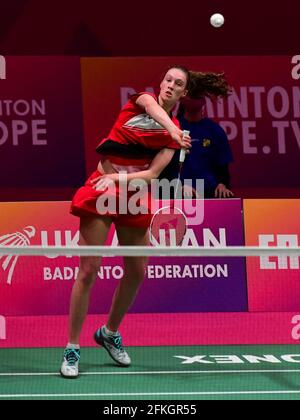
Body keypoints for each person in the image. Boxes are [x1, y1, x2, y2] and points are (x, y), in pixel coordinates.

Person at [60, 65, 192, 379]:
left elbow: (151, 175)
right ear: (161, 83)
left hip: (130, 194)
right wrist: (174, 130)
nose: (171, 86)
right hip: (100, 188)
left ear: (184, 93)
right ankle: (72, 347)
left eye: (179, 84)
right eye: (168, 80)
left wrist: (120, 184)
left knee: (137, 269)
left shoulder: (173, 134)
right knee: (89, 269)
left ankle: (109, 332)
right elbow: (152, 108)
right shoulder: (142, 101)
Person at [160, 72, 234, 199]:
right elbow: (161, 169)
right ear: (182, 99)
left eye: (197, 96)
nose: (194, 99)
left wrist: (222, 184)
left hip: (207, 191)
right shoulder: (171, 128)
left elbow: (222, 168)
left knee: (227, 197)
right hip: (176, 189)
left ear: (204, 101)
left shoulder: (215, 131)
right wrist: (178, 186)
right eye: (191, 95)